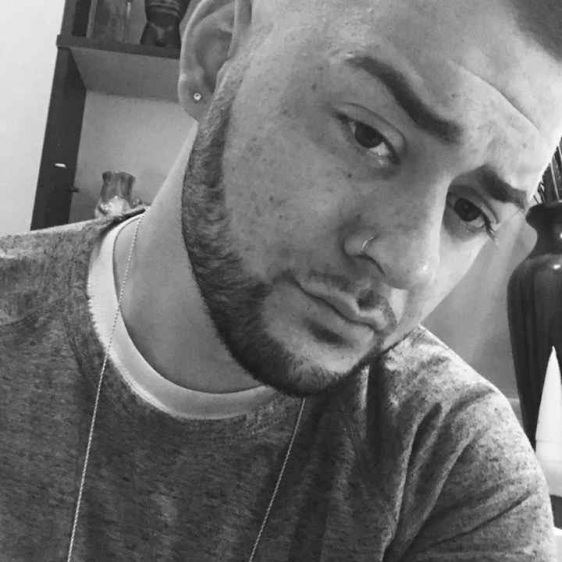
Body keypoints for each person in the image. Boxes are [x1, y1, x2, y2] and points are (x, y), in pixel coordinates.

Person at [2, 0, 562, 559]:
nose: (410, 263)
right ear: (216, 56)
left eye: (469, 211)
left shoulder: (455, 473)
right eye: (369, 136)